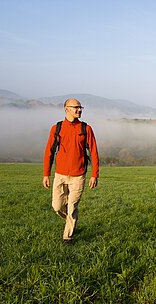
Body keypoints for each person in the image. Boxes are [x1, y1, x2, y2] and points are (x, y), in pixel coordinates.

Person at [42, 98, 99, 244]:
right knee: (57, 206)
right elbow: (49, 151)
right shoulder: (57, 128)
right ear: (66, 109)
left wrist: (94, 174)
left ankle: (68, 236)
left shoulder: (86, 129)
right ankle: (70, 219)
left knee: (72, 206)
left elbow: (93, 152)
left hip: (78, 176)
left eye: (81, 107)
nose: (79, 110)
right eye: (76, 107)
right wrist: (46, 174)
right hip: (60, 174)